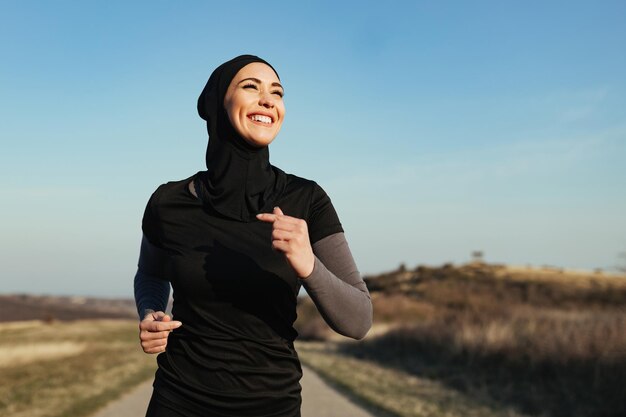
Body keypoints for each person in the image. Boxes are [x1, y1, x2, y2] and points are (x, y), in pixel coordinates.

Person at [134, 54, 372, 417]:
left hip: (271, 406)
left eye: (277, 93)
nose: (268, 100)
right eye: (251, 87)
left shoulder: (307, 200)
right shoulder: (168, 202)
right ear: (217, 102)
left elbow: (358, 321)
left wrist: (309, 265)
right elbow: (150, 273)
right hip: (178, 400)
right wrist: (151, 312)